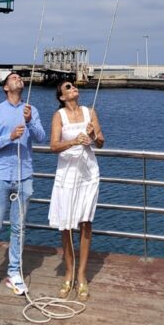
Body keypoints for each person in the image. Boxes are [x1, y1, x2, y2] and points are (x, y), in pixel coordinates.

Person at [0, 71, 46, 303]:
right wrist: (10, 136)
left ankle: (14, 272)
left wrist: (29, 123)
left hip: (24, 176)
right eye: (13, 78)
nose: (19, 80)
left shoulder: (31, 110)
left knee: (19, 228)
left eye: (20, 78)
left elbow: (41, 137)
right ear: (6, 87)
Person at [49, 80, 104, 302]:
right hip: (66, 174)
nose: (74, 89)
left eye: (73, 87)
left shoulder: (90, 111)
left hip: (88, 174)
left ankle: (81, 275)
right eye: (68, 87)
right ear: (62, 96)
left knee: (85, 222)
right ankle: (68, 272)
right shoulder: (58, 116)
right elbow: (53, 146)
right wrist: (73, 141)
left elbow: (101, 142)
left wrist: (92, 136)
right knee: (66, 224)